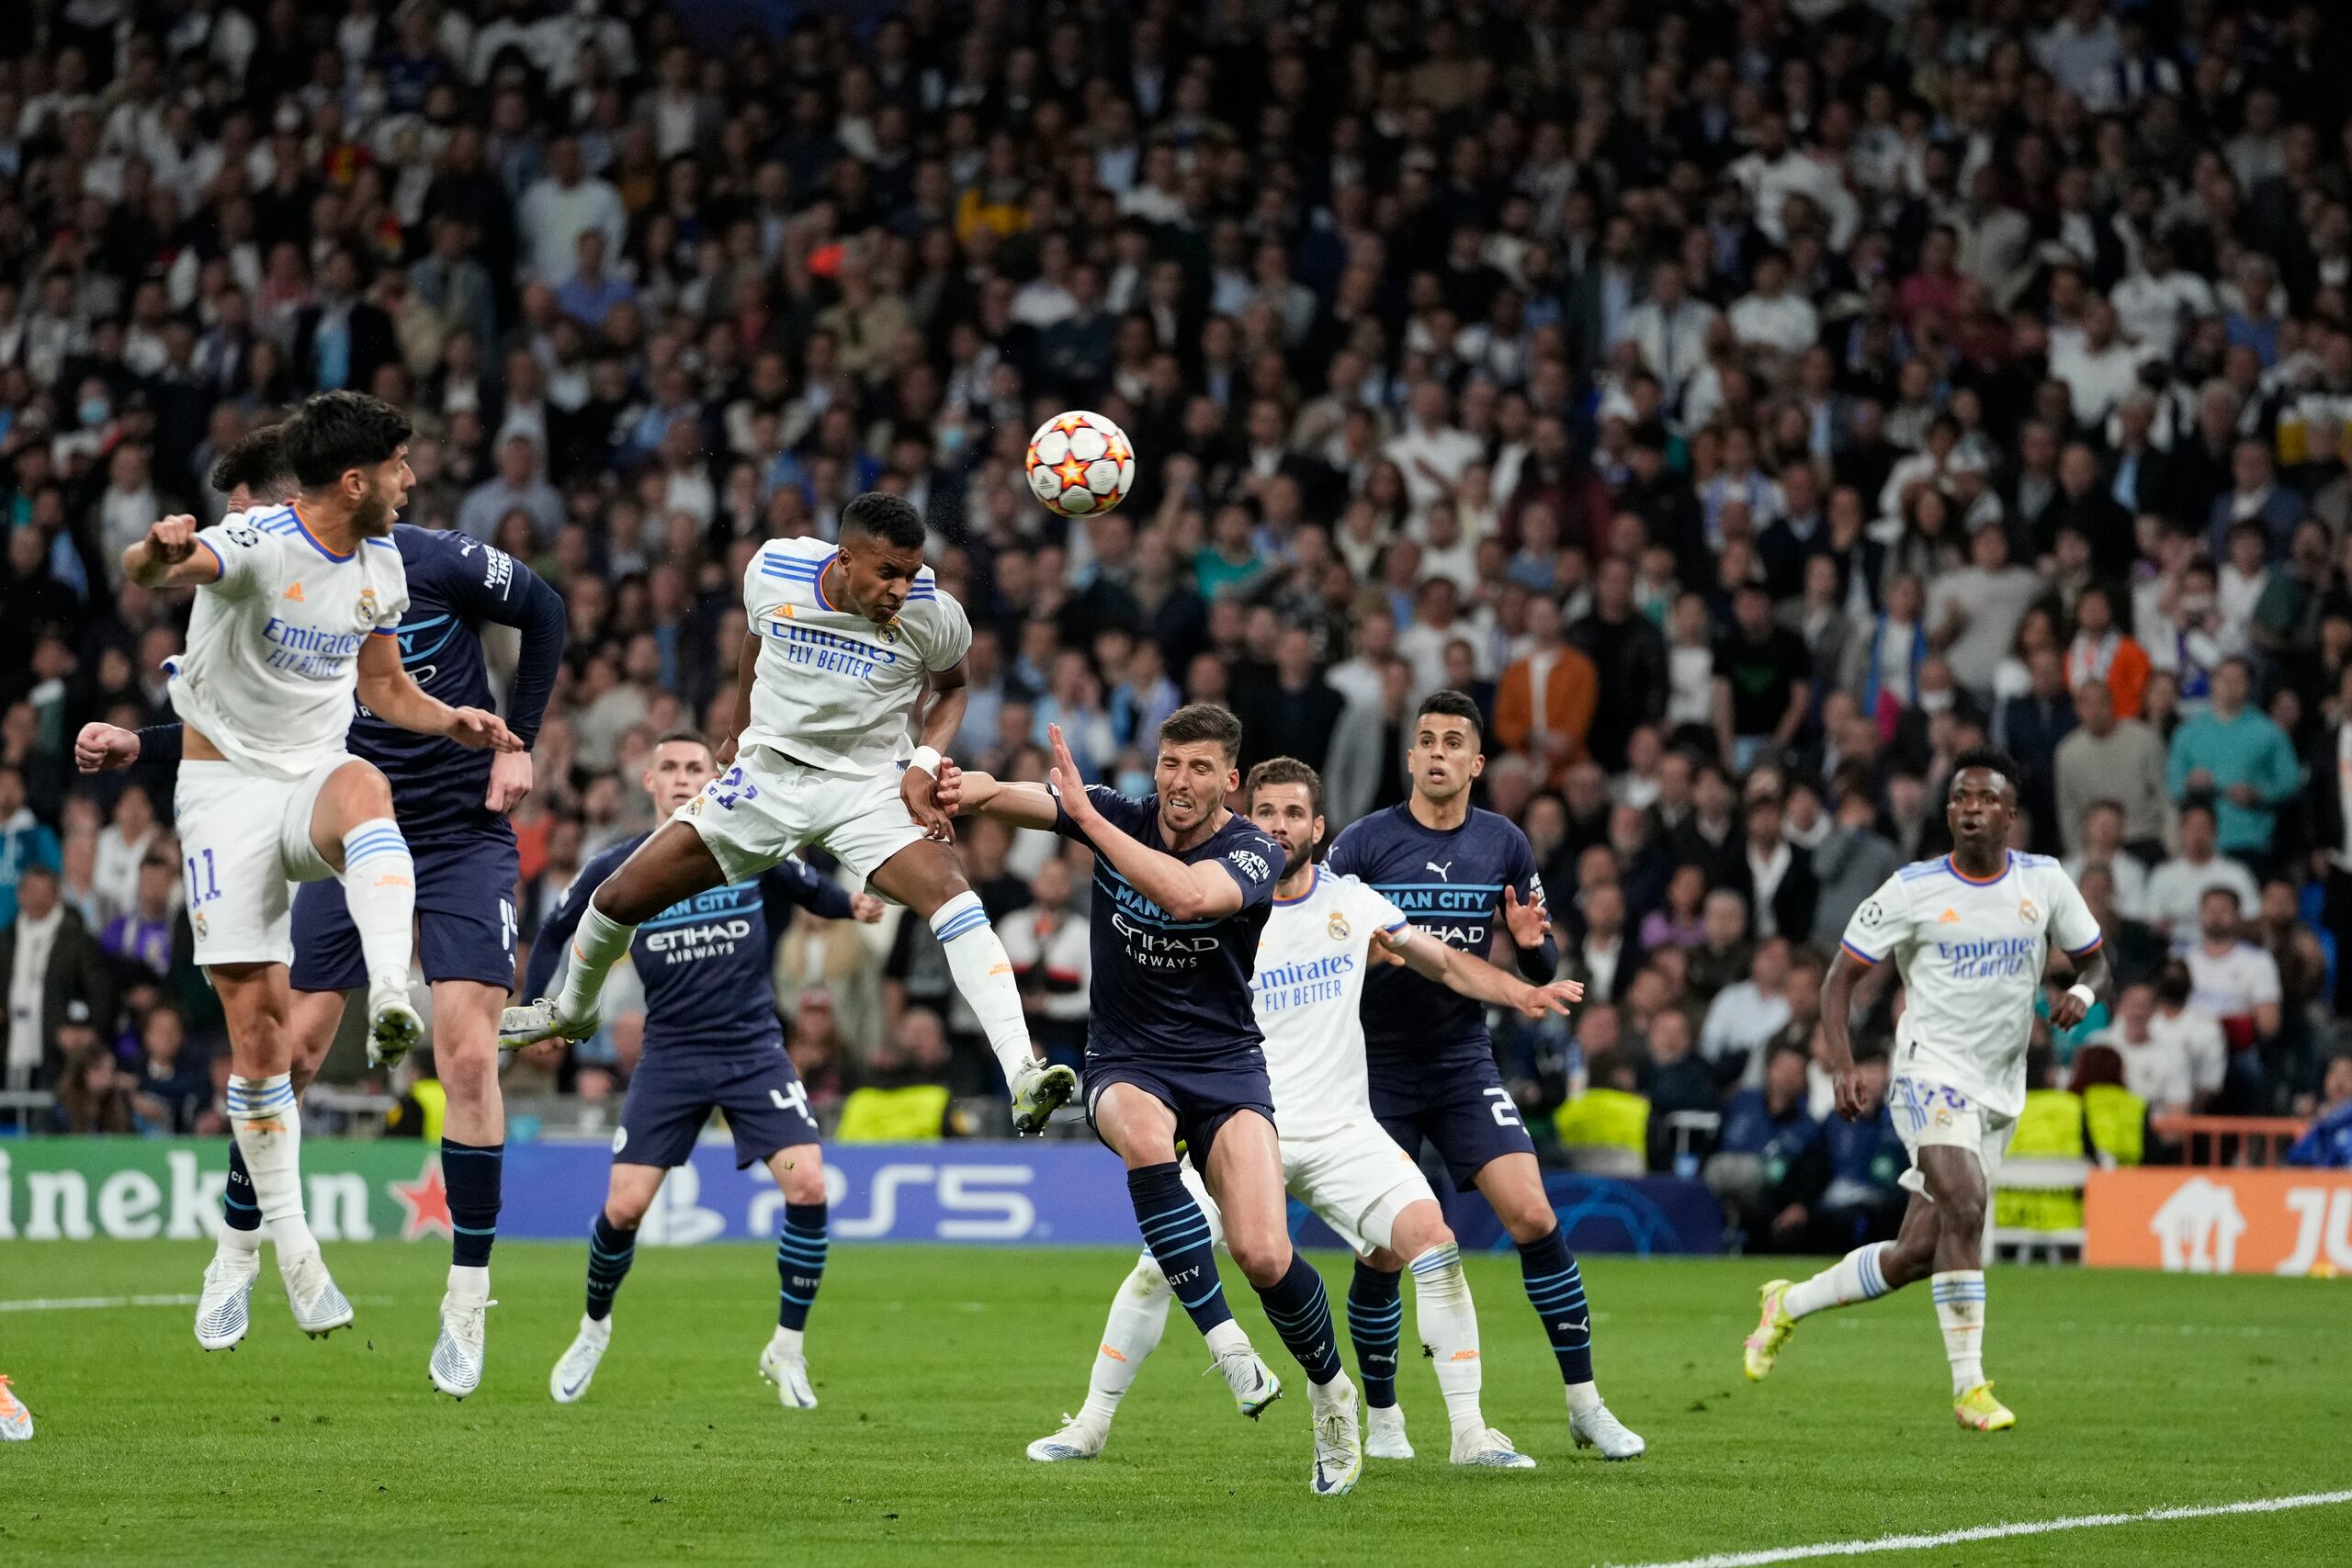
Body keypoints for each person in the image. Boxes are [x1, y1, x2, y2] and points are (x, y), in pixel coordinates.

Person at [80, 418, 566, 1396]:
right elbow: (239, 718)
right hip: (328, 824)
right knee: (287, 1051)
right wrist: (142, 738)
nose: (414, 478)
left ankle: (466, 1303)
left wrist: (519, 739)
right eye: (398, 465)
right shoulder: (268, 561)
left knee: (467, 1053)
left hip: (461, 832)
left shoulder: (414, 561)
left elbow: (544, 611)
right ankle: (238, 1247)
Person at [1026, 757, 1584, 1470]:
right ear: (1244, 820)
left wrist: (1518, 991)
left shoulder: (1350, 903)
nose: (1279, 826)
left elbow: (1443, 962)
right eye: (1265, 813)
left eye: (1294, 813)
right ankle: (1091, 1424)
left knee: (1434, 1242)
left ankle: (1471, 1432)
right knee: (1157, 1267)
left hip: (1343, 1128)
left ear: (1318, 829)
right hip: (1238, 1121)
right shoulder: (1224, 905)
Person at [499, 491, 1079, 1135]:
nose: (900, 588)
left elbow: (954, 686)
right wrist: (736, 731)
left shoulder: (932, 614)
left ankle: (1024, 1070)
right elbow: (756, 643)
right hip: (766, 780)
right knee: (615, 898)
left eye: (912, 572)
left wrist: (922, 763)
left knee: (952, 893)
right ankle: (573, 1009)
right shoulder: (774, 569)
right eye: (887, 572)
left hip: (866, 788)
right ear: (845, 559)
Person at [945, 706, 1366, 1495]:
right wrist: (947, 783)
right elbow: (1004, 794)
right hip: (1126, 1057)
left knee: (1265, 1254)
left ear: (1230, 781)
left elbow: (1187, 898)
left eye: (1200, 767)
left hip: (1224, 1062)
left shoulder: (1252, 849)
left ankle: (1332, 1391)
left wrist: (1087, 823)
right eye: (1171, 763)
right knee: (1142, 1134)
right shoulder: (1118, 809)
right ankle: (1228, 1346)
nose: (1180, 780)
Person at [1743, 745, 2109, 1432]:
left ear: (2011, 813)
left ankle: (1786, 1304)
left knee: (1916, 1252)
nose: (1972, 809)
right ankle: (1970, 1387)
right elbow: (1839, 979)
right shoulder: (1912, 888)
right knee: (1967, 1205)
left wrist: (2084, 993)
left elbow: (2096, 960)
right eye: (1961, 798)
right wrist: (1843, 1062)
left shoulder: (2046, 881)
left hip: (2000, 1085)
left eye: (1987, 798)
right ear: (1948, 812)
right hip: (1928, 1071)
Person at [1324, 690, 1646, 1459]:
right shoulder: (1363, 844)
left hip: (1463, 1058)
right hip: (1376, 1067)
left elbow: (1544, 958)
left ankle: (1585, 1403)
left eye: (1452, 742)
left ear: (1476, 762)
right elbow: (1318, 940)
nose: (1436, 752)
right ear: (1410, 758)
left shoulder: (1503, 843)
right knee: (1383, 1250)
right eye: (1425, 739)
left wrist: (1534, 949)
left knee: (1534, 1215)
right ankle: (1386, 1417)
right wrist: (1356, 955)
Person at [537, 731, 882, 1409]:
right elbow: (555, 927)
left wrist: (854, 904)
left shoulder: (746, 842)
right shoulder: (621, 865)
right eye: (668, 767)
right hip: (671, 1053)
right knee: (624, 1207)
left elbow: (805, 881)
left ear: (716, 775)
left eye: (694, 766)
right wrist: (536, 1009)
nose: (681, 776)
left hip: (753, 1047)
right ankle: (593, 1327)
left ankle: (787, 1347)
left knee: (809, 1185)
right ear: (647, 780)